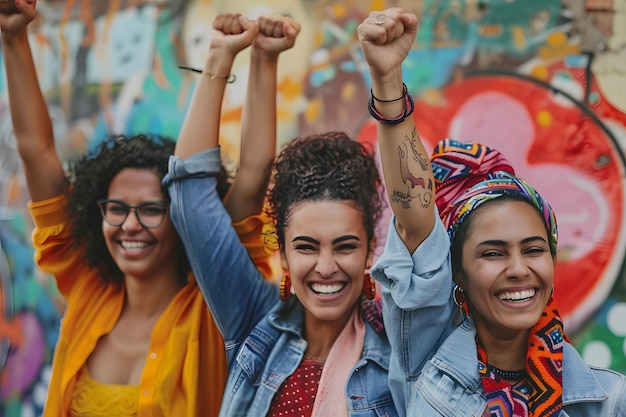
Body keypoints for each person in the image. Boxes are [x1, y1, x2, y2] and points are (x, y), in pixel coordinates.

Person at [0, 2, 290, 416]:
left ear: (182, 221)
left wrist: (257, 59)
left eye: (152, 210)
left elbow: (254, 173)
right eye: (116, 209)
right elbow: (37, 152)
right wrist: (12, 35)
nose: (130, 225)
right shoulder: (88, 287)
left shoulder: (216, 306)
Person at [164, 9, 451, 417]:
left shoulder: (403, 346)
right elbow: (190, 197)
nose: (326, 266)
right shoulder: (253, 321)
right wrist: (220, 57)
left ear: (372, 250)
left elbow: (418, 219)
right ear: (280, 250)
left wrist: (387, 79)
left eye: (346, 246)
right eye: (306, 246)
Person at [362, 7, 626, 412]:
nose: (519, 268)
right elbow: (415, 220)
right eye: (493, 252)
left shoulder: (610, 400)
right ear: (456, 272)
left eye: (534, 249)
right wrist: (387, 82)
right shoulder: (426, 358)